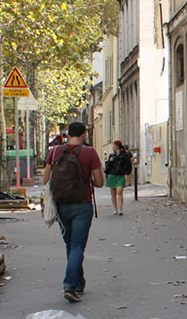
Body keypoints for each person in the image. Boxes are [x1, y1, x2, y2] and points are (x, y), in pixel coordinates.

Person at [43, 122, 104, 303]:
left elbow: (47, 178)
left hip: (61, 204)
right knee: (77, 245)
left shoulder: (54, 152)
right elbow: (100, 182)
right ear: (84, 134)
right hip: (82, 204)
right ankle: (70, 285)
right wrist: (85, 179)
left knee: (71, 244)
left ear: (67, 134)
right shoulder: (89, 152)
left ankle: (78, 282)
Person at [104, 140, 133, 215]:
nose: (112, 146)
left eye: (113, 145)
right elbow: (107, 165)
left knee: (119, 191)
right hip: (112, 175)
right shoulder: (112, 155)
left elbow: (128, 166)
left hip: (120, 175)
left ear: (117, 146)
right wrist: (110, 161)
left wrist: (126, 175)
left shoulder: (124, 155)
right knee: (113, 193)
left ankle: (120, 209)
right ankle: (115, 208)